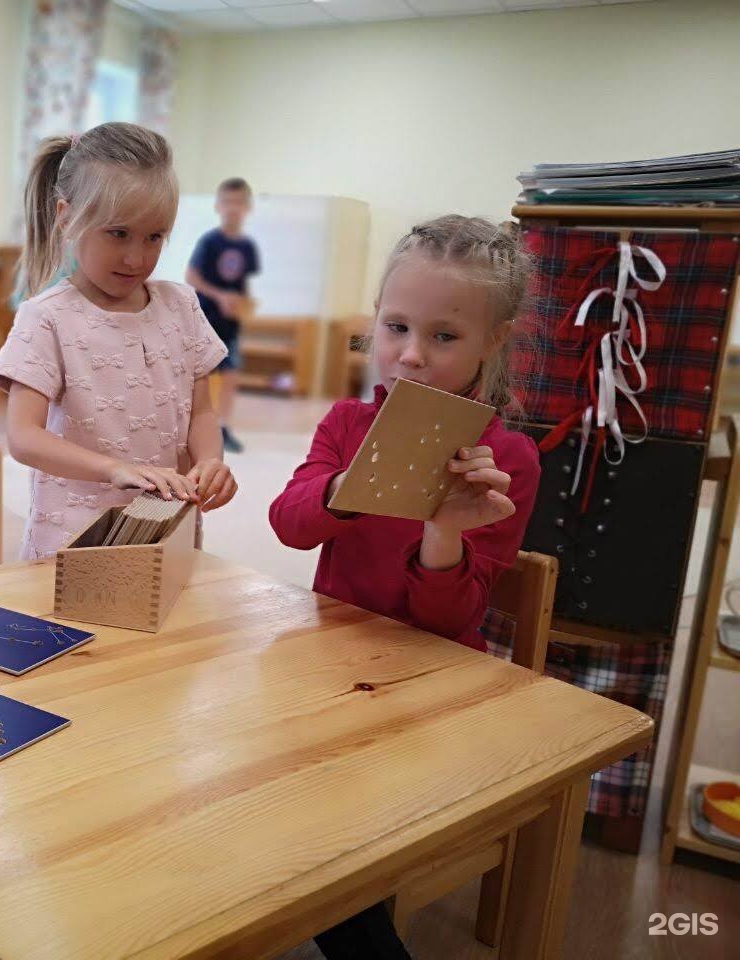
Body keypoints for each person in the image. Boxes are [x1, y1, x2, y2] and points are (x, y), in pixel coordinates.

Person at [269, 215, 541, 959]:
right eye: (395, 327)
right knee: (255, 768)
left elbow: (449, 619)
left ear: (495, 341)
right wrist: (353, 487)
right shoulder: (348, 423)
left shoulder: (507, 457)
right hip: (335, 668)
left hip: (435, 683)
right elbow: (290, 524)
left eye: (445, 337)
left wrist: (445, 527)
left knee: (326, 818)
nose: (412, 356)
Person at [0, 122, 239, 560]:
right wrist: (114, 469)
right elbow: (23, 437)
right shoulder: (47, 317)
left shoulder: (182, 306)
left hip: (166, 527)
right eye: (118, 233)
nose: (137, 257)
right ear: (67, 218)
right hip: (75, 539)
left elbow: (201, 413)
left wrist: (210, 462)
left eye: (154, 237)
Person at [185, 177, 260, 454]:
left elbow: (243, 283)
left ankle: (224, 427)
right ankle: (193, 429)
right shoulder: (210, 241)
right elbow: (192, 277)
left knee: (231, 376)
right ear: (218, 205)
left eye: (239, 202)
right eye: (228, 202)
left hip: (231, 324)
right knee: (201, 378)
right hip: (206, 320)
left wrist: (242, 303)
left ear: (247, 207)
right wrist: (219, 296)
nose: (233, 208)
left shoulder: (247, 247)